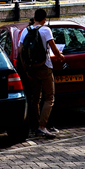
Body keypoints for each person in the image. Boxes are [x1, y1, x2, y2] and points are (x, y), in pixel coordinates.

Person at [21, 8, 65, 138]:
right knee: (49, 98)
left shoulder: (25, 31)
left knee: (35, 98)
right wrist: (61, 56)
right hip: (45, 67)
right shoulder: (46, 30)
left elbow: (20, 51)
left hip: (32, 68)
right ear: (44, 20)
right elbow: (54, 50)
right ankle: (42, 127)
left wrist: (26, 69)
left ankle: (35, 126)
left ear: (34, 18)